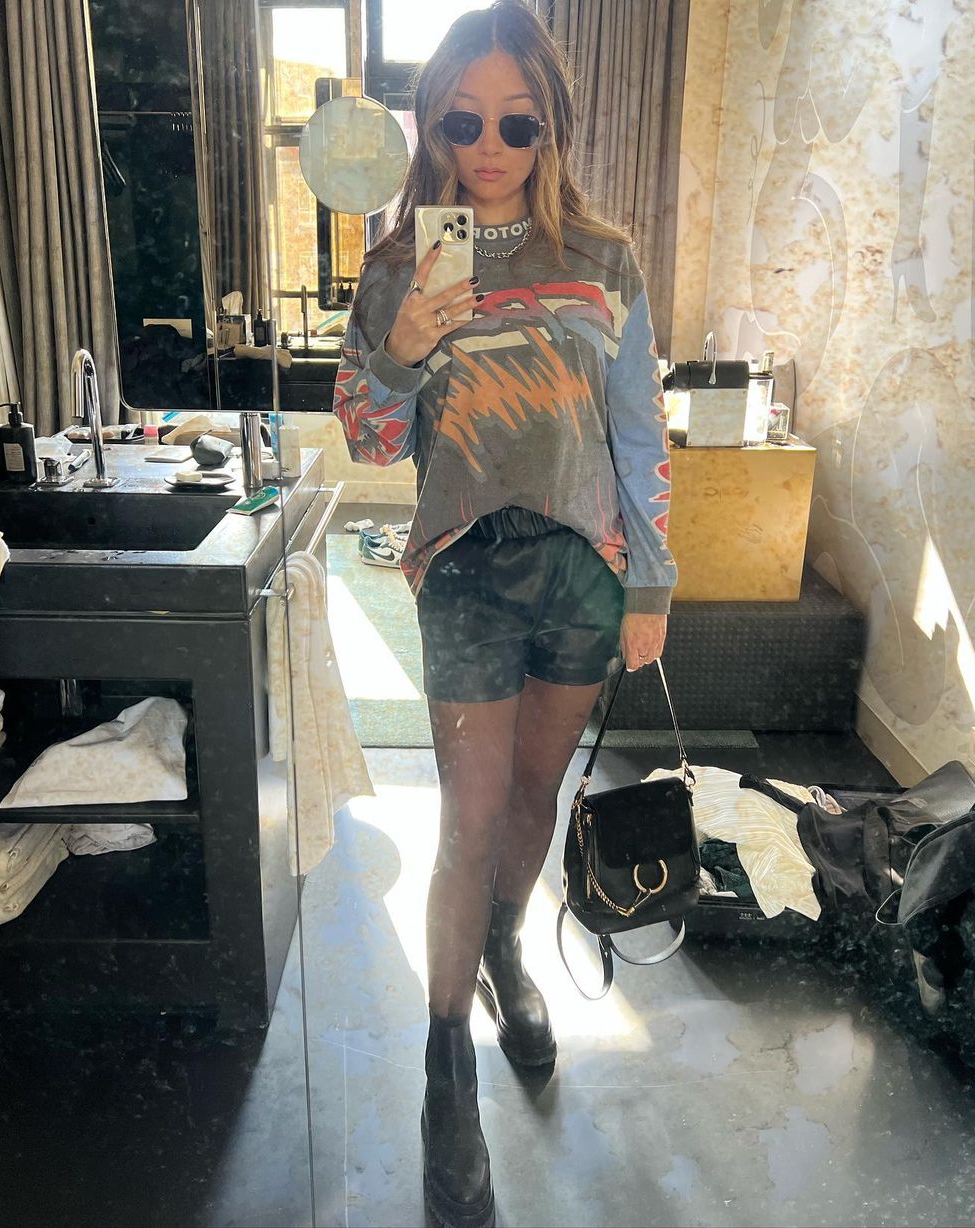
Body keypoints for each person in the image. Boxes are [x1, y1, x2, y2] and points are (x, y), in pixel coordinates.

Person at [333, 3, 676, 1224]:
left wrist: (651, 581)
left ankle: (505, 950)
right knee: (468, 819)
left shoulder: (606, 259)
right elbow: (369, 440)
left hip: (583, 571)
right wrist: (400, 350)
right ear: (431, 125)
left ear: (551, 126)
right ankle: (444, 1068)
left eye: (516, 124)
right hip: (467, 567)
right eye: (462, 122)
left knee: (534, 798)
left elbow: (636, 430)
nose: (488, 148)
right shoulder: (399, 262)